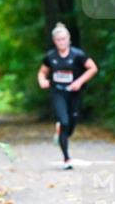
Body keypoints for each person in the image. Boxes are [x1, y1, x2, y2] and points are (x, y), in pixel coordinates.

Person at [38, 23, 99, 170]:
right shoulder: (50, 57)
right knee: (64, 122)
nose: (62, 42)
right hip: (57, 91)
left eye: (64, 39)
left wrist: (79, 81)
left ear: (69, 39)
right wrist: (42, 81)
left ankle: (62, 130)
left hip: (74, 93)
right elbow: (42, 72)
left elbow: (93, 68)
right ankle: (66, 158)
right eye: (58, 40)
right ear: (55, 41)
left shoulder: (78, 55)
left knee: (71, 125)